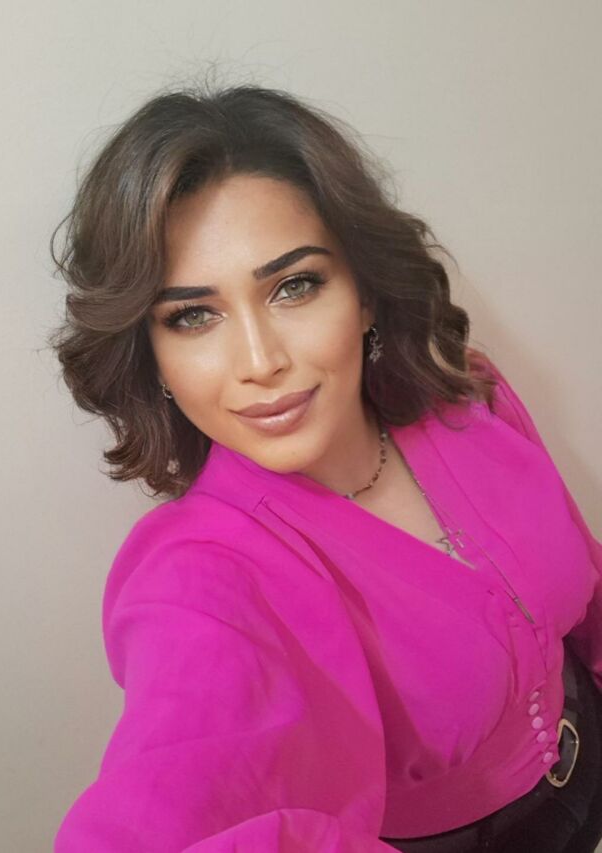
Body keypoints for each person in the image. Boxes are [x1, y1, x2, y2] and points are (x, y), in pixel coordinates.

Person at [49, 82, 602, 852]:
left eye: (295, 285)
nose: (260, 360)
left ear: (364, 292)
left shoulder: (467, 396)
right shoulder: (199, 576)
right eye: (193, 315)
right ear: (153, 356)